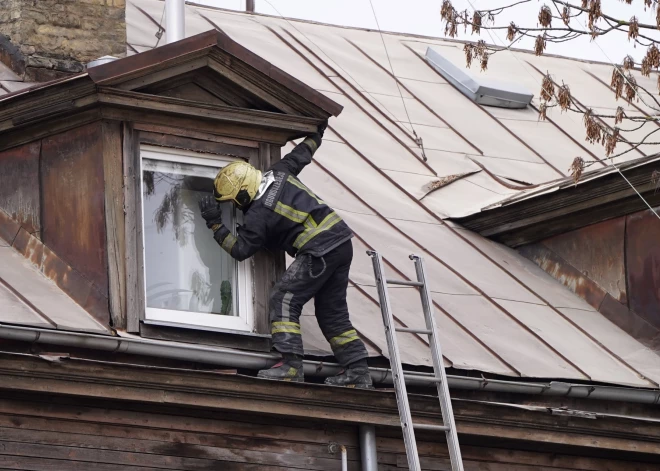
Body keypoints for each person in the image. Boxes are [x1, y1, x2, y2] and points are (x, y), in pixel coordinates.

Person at [198, 123, 372, 389]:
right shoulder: (279, 172)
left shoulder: (258, 215)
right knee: (332, 312)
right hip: (340, 241)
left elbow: (241, 249)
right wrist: (318, 131)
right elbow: (303, 153)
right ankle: (358, 371)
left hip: (318, 249)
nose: (235, 206)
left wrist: (214, 224)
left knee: (284, 298)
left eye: (234, 201)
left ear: (244, 193)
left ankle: (290, 365)